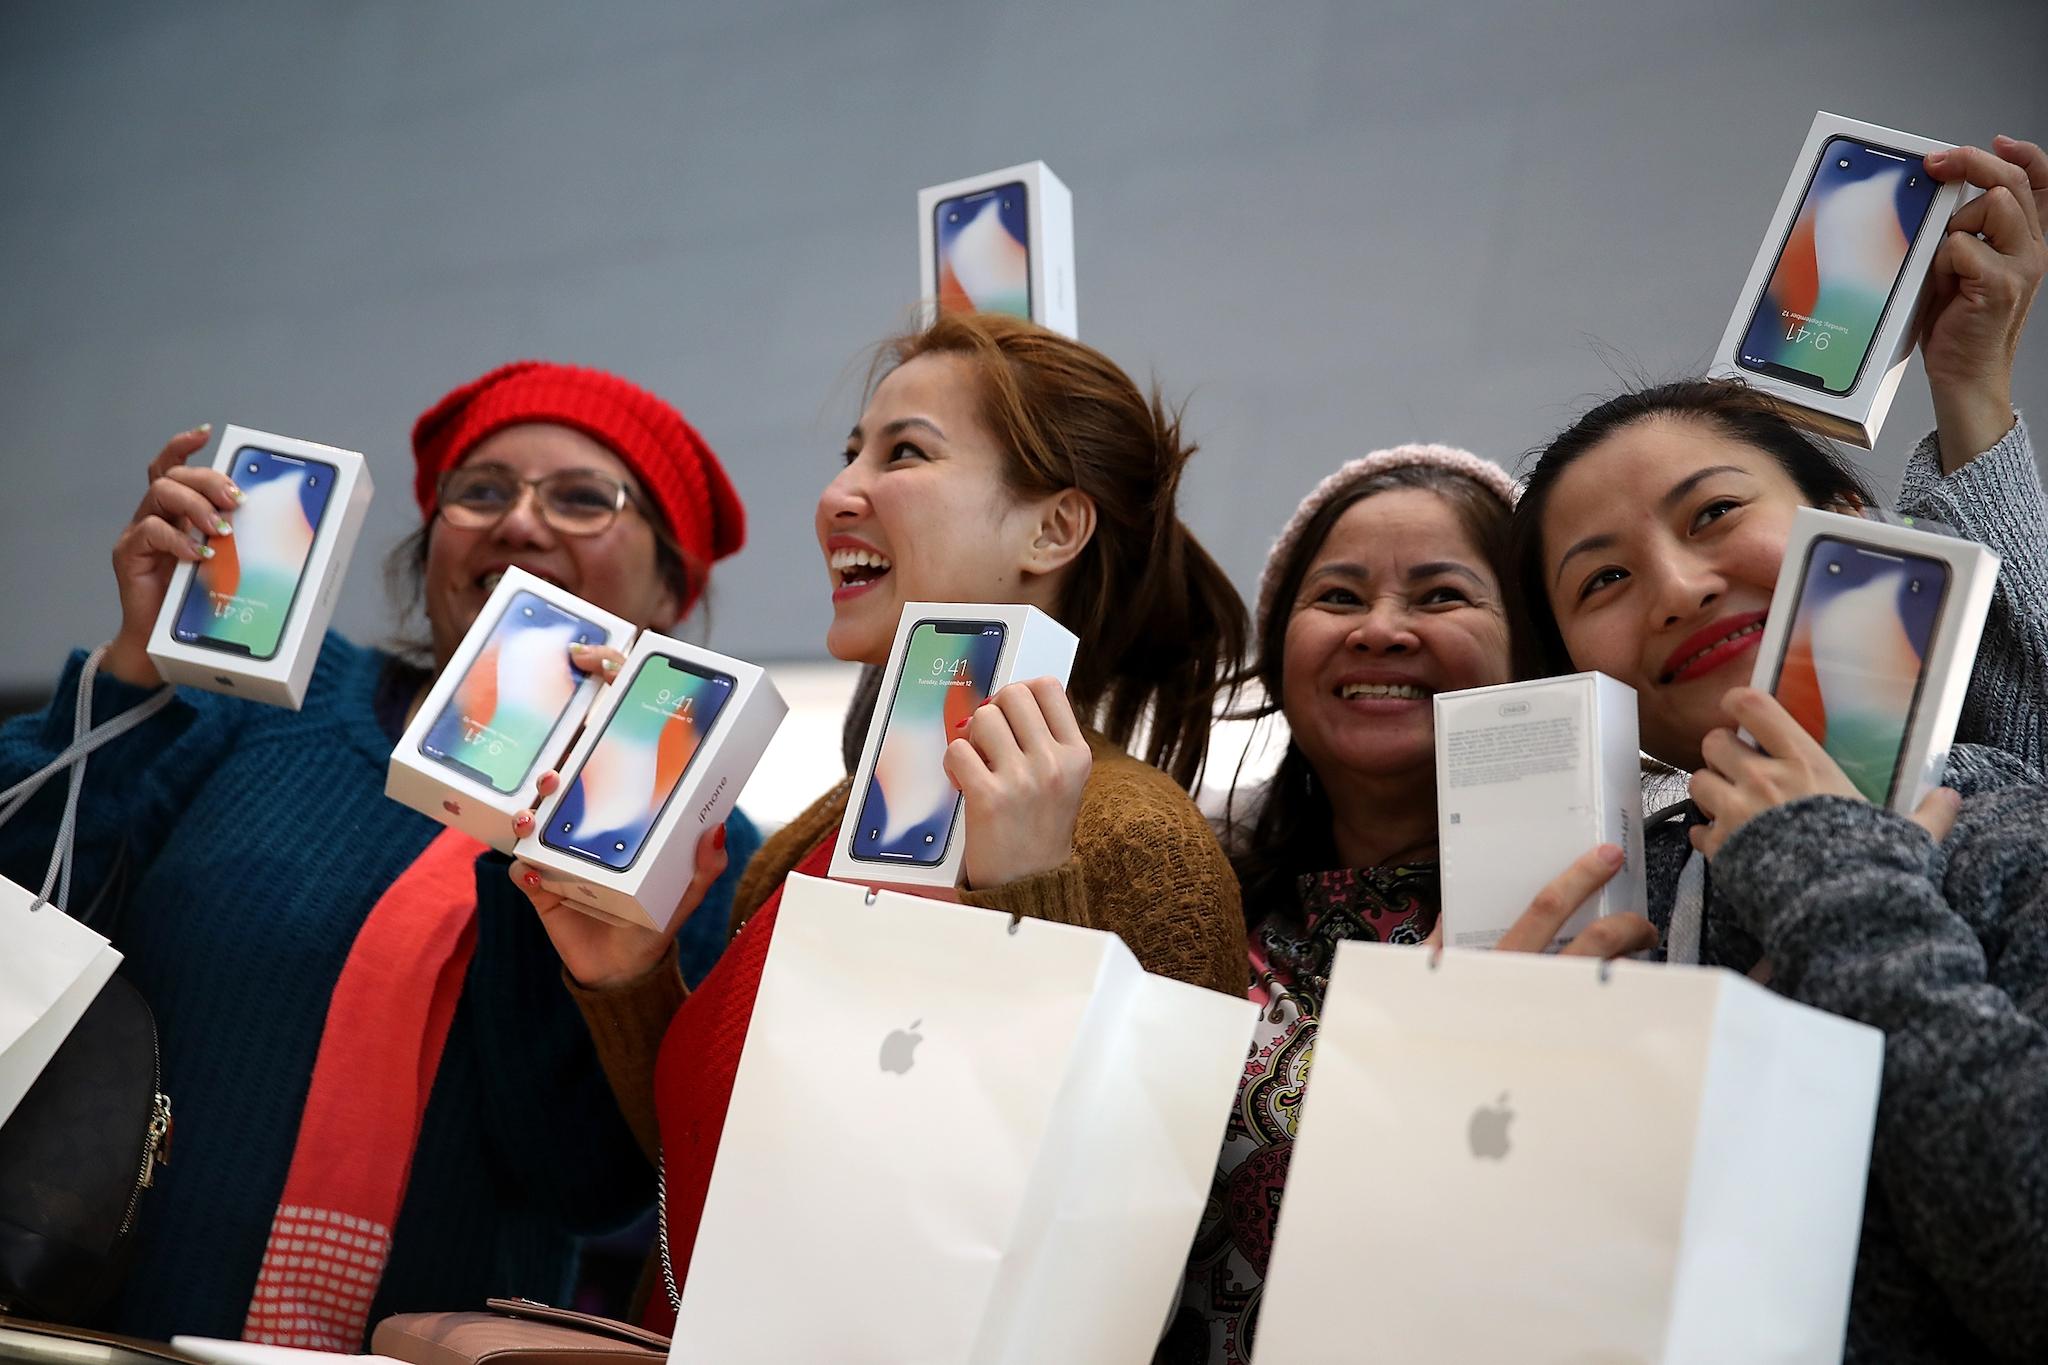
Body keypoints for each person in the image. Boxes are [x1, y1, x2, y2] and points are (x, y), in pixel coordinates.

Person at [513, 311, 1253, 1330]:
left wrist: (1027, 902)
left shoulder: (1138, 838)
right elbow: (722, 1189)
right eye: (849, 451)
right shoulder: (809, 834)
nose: (835, 494)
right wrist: (629, 977)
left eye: (904, 452)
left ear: (1052, 529)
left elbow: (1119, 1261)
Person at [0, 361, 759, 1347]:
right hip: (103, 1334)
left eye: (582, 499)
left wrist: (552, 857)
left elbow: (589, 1184)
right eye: (480, 491)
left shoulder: (703, 850)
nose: (520, 522)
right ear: (429, 548)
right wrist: (133, 669)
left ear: (671, 583)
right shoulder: (269, 705)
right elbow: (26, 906)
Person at [1509, 136, 2048, 1362]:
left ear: (1852, 527)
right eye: (1599, 579)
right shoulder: (1600, 905)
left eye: (1712, 514)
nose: (1677, 586)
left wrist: (1829, 871)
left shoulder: (1998, 820)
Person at [1156, 446, 1655, 1365]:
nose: (1379, 629)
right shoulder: (1192, 897)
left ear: (1531, 646)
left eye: (1440, 596)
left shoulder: (1629, 901)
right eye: (1339, 598)